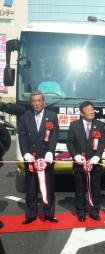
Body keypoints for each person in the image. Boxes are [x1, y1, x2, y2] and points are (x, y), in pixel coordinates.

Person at [18, 91, 59, 224]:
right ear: (31, 103)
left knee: (48, 186)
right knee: (31, 187)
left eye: (39, 100)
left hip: (46, 158)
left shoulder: (52, 116)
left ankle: (49, 214)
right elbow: (22, 137)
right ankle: (30, 215)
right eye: (34, 101)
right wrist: (25, 153)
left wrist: (51, 151)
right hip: (31, 157)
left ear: (43, 102)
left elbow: (54, 136)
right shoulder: (25, 117)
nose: (36, 103)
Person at [67, 101, 105, 222]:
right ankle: (81, 211)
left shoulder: (100, 125)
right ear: (81, 112)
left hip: (95, 164)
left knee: (95, 188)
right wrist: (75, 156)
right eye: (88, 109)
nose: (91, 111)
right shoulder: (74, 126)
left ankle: (95, 211)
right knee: (80, 189)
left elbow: (102, 142)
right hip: (80, 164)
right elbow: (70, 143)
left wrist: (98, 156)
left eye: (92, 109)